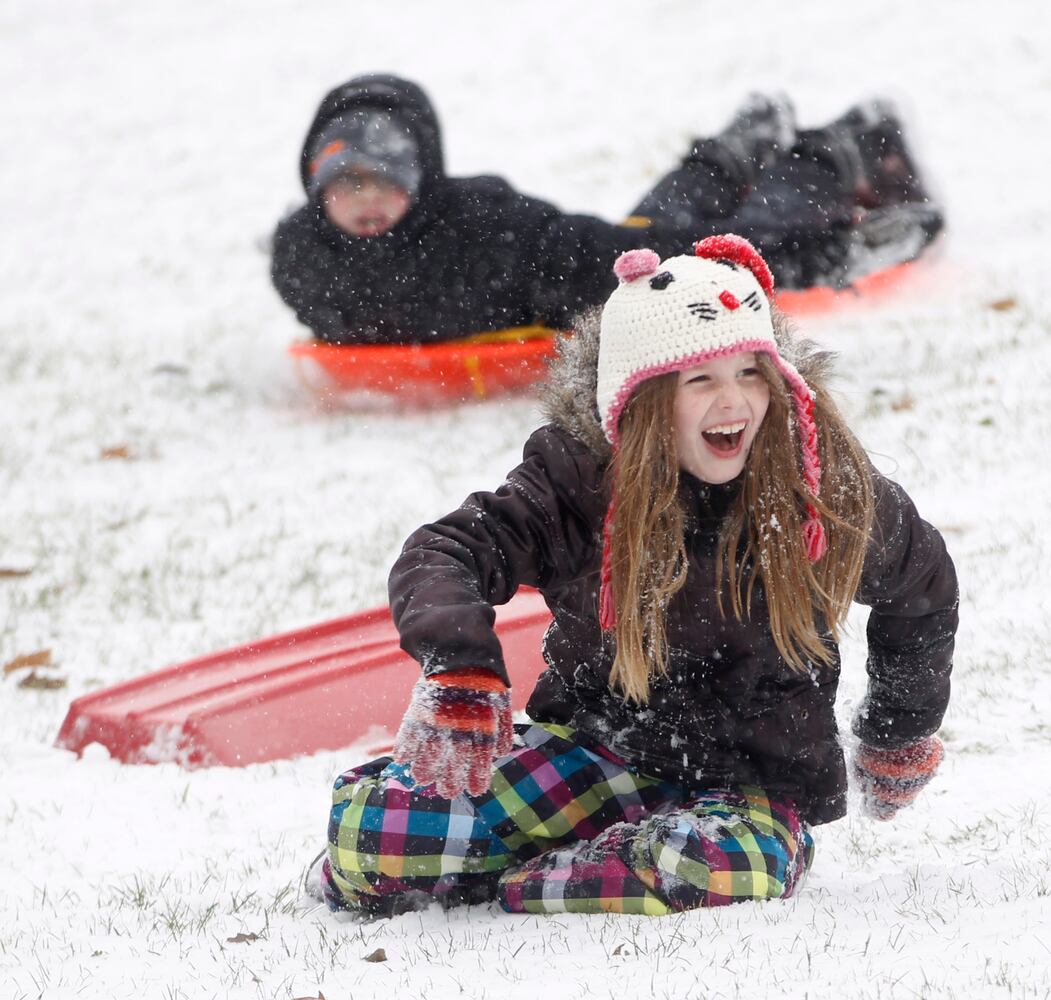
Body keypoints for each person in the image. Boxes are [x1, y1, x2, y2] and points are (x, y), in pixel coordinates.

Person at [309, 234, 958, 917]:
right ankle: (591, 859)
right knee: (376, 835)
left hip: (750, 787)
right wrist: (460, 667)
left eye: (750, 373)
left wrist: (897, 730)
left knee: (710, 865)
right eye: (700, 381)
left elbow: (922, 590)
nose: (732, 402)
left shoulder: (819, 483)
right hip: (598, 753)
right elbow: (445, 552)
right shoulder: (576, 480)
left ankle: (535, 882)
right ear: (640, 401)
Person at [272, 75, 943, 346]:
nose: (365, 202)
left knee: (705, 254)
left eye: (383, 182)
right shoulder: (300, 254)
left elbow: (633, 264)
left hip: (590, 282)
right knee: (652, 232)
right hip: (597, 264)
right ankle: (733, 155)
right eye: (344, 184)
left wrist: (815, 261)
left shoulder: (487, 229)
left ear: (420, 183)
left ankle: (837, 155)